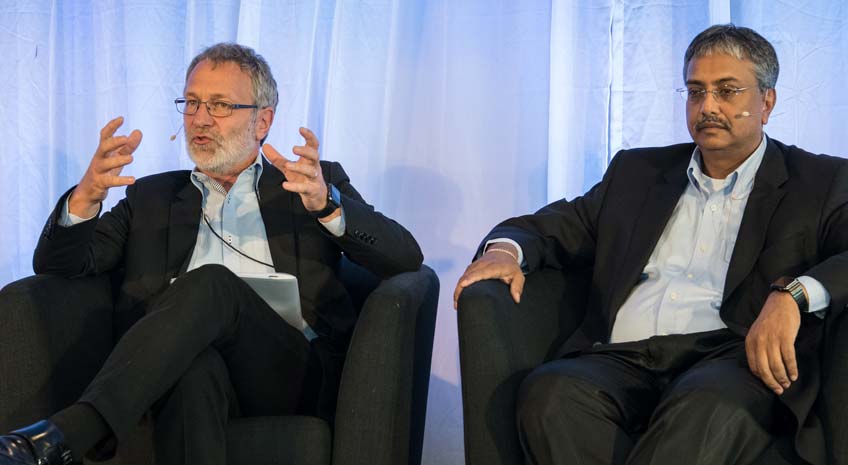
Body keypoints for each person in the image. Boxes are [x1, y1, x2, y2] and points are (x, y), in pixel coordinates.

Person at [0, 43, 423, 465]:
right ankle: (65, 436)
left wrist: (327, 206)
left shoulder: (310, 184)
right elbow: (58, 267)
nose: (200, 119)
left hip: (287, 371)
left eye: (219, 105)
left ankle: (69, 432)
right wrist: (86, 196)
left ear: (263, 120)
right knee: (194, 368)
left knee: (211, 282)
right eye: (192, 103)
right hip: (174, 368)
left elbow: (404, 258)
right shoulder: (152, 196)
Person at [454, 24, 847, 465]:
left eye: (727, 91)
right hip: (624, 357)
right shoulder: (637, 173)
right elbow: (555, 224)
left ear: (766, 102)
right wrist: (505, 250)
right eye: (696, 92)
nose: (708, 106)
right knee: (550, 396)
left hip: (731, 358)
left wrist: (793, 295)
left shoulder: (819, 181)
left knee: (705, 410)